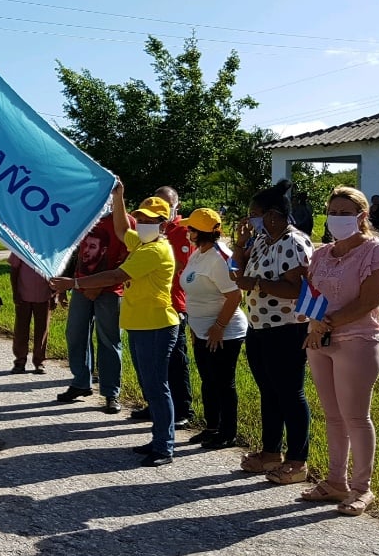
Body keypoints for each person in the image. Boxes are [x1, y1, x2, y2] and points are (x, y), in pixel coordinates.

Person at [53, 184, 180, 466]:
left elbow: (114, 275)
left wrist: (73, 283)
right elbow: (122, 230)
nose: (144, 224)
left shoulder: (155, 250)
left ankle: (165, 446)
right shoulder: (142, 244)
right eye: (142, 219)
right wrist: (119, 197)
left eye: (151, 221)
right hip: (140, 324)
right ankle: (159, 438)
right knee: (151, 384)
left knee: (157, 386)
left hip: (157, 326)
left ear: (164, 223)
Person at [301, 187, 379, 516]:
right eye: (333, 212)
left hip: (357, 340)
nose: (338, 218)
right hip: (319, 340)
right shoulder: (322, 253)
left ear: (362, 216)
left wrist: (324, 324)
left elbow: (367, 302)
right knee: (332, 416)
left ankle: (362, 488)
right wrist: (313, 322)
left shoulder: (376, 252)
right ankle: (335, 481)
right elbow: (311, 294)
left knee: (356, 417)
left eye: (346, 213)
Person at [232, 179, 313, 484]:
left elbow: (297, 289)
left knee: (290, 394)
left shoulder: (293, 242)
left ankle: (297, 460)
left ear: (274, 215)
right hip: (259, 327)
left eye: (254, 213)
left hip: (287, 329)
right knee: (269, 391)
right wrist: (240, 245)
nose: (249, 219)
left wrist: (257, 284)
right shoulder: (263, 240)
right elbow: (237, 272)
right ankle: (270, 453)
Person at [179, 208, 248, 450]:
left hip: (224, 331)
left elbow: (235, 295)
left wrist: (218, 327)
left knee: (222, 381)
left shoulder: (220, 258)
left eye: (191, 229)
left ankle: (227, 432)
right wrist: (196, 327)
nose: (187, 231)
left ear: (200, 232)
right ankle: (211, 427)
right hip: (202, 330)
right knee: (208, 380)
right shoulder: (199, 253)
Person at [52, 210, 134, 414]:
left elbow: (129, 258)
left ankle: (110, 393)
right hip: (80, 286)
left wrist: (99, 285)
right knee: (75, 334)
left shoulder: (125, 221)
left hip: (110, 290)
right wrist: (68, 283)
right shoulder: (86, 216)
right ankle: (81, 382)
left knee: (109, 340)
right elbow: (75, 253)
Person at [132, 186, 193, 428]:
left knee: (176, 361)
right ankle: (154, 404)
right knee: (151, 364)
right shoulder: (148, 233)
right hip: (149, 305)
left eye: (168, 205)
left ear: (176, 206)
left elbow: (184, 270)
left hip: (173, 303)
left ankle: (183, 409)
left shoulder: (183, 231)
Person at [8, 253, 55, 374]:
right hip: (23, 296)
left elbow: (56, 271)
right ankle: (20, 361)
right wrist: (15, 292)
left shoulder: (50, 247)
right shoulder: (21, 245)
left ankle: (39, 361)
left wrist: (55, 294)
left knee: (42, 329)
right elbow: (14, 270)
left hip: (44, 295)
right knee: (21, 329)